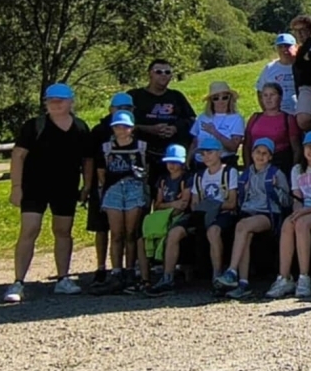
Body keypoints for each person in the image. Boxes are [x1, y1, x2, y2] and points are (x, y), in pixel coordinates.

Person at [4, 83, 92, 303]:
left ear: (70, 102)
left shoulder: (80, 127)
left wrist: (87, 186)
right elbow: (18, 155)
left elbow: (87, 160)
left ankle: (63, 279)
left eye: (60, 100)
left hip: (66, 187)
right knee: (29, 230)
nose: (55, 104)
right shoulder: (34, 126)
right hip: (34, 187)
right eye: (51, 100)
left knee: (63, 231)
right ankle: (18, 282)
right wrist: (16, 187)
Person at [152, 134, 238, 296]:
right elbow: (194, 204)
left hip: (224, 213)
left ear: (219, 153)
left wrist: (211, 207)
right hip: (201, 213)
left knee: (213, 231)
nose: (206, 156)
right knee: (174, 232)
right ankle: (167, 277)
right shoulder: (199, 175)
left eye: (210, 152)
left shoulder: (229, 172)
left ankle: (217, 277)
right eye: (203, 153)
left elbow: (232, 203)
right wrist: (206, 208)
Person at [216, 138, 291, 299]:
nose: (261, 156)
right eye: (258, 152)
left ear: (270, 157)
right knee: (245, 232)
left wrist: (275, 189)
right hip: (248, 214)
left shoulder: (276, 174)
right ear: (252, 154)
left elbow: (287, 201)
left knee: (243, 226)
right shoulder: (246, 174)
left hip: (268, 214)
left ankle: (232, 271)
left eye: (265, 153)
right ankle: (243, 283)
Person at [266, 131, 311, 298]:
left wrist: (304, 212)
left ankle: (304, 277)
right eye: (307, 147)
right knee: (287, 224)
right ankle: (284, 277)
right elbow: (297, 198)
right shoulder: (297, 170)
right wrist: (298, 211)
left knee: (302, 224)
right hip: (302, 209)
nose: (310, 151)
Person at [93, 111, 150, 295]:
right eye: (118, 126)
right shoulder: (106, 148)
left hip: (134, 188)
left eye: (125, 126)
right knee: (116, 233)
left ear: (132, 128)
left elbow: (147, 170)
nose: (121, 130)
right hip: (113, 190)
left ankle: (130, 270)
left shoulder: (142, 147)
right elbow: (101, 173)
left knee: (131, 233)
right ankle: (116, 272)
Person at [85, 92, 136, 285]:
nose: (123, 110)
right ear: (110, 109)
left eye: (128, 108)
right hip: (103, 185)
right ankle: (101, 267)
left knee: (129, 231)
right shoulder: (99, 131)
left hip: (130, 187)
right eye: (119, 107)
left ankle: (128, 268)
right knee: (101, 228)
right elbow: (90, 159)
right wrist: (89, 185)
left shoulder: (135, 130)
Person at [129, 59, 197, 187]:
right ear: (150, 73)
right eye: (159, 71)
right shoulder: (135, 96)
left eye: (167, 72)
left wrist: (175, 128)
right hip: (143, 157)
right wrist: (149, 129)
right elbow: (122, 124)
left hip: (173, 158)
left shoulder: (177, 96)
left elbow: (191, 120)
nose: (163, 75)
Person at [139, 145, 191, 295]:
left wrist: (169, 207)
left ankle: (168, 278)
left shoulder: (187, 179)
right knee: (142, 238)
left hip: (181, 217)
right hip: (163, 216)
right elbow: (157, 205)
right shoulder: (162, 179)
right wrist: (172, 204)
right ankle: (145, 279)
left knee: (170, 234)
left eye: (175, 162)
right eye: (169, 162)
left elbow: (183, 205)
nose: (171, 165)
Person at [243, 83, 300, 177]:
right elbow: (247, 145)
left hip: (280, 166)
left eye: (272, 95)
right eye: (265, 95)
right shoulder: (255, 117)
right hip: (256, 165)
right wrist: (248, 168)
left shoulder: (288, 119)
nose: (268, 98)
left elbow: (296, 149)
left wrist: (293, 172)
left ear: (280, 98)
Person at [187, 82, 244, 170]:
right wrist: (187, 160)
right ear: (211, 101)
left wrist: (215, 132)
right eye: (216, 98)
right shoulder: (203, 117)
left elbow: (233, 147)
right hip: (200, 163)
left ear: (230, 98)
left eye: (225, 97)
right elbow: (194, 142)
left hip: (223, 162)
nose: (221, 101)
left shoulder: (236, 118)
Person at [256, 33, 299, 116]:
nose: (284, 49)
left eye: (287, 46)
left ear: (296, 47)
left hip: (300, 114)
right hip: (277, 115)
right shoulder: (269, 68)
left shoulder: (302, 66)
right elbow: (260, 91)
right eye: (280, 47)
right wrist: (267, 112)